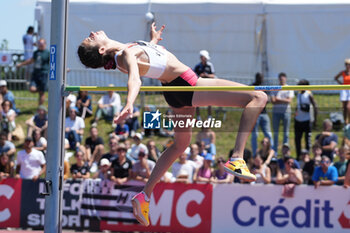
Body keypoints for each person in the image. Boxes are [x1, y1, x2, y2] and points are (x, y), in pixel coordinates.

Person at [77, 22, 267, 226]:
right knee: (258, 97)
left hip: (174, 91)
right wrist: (130, 103)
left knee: (180, 145)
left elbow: (149, 61)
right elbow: (135, 79)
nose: (91, 33)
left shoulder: (125, 50)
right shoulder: (125, 55)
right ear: (101, 49)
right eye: (91, 39)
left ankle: (144, 196)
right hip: (189, 85)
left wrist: (152, 41)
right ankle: (237, 158)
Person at [17, 38, 49, 106]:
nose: (40, 45)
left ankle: (40, 108)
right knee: (32, 89)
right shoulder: (36, 52)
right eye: (39, 44)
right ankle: (42, 89)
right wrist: (21, 64)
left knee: (41, 93)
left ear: (45, 44)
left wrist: (64, 69)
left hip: (44, 73)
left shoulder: (48, 53)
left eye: (42, 44)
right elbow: (31, 61)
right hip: (36, 73)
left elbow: (54, 63)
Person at [294, 79, 318, 160]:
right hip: (298, 120)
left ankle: (306, 156)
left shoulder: (309, 94)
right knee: (297, 139)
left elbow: (315, 106)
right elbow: (297, 106)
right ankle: (298, 156)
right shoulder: (299, 94)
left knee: (307, 140)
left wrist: (315, 119)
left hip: (306, 120)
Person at [251, 72, 273, 156]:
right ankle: (254, 154)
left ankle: (271, 152)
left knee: (268, 134)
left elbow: (269, 98)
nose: (261, 80)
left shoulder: (264, 87)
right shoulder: (252, 87)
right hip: (255, 113)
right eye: (259, 78)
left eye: (262, 78)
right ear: (256, 78)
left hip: (264, 113)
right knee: (255, 135)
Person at [271, 72, 294, 154]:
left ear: (285, 79)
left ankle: (285, 152)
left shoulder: (289, 88)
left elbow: (289, 101)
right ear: (279, 79)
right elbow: (273, 101)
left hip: (286, 112)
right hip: (276, 112)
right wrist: (282, 100)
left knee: (286, 133)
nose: (282, 80)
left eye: (283, 78)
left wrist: (278, 99)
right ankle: (275, 152)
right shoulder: (275, 88)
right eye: (280, 79)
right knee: (276, 133)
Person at [193, 50, 216, 120]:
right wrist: (200, 76)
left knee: (209, 102)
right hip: (199, 86)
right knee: (197, 102)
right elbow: (194, 75)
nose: (205, 59)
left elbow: (213, 75)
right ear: (201, 57)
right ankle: (198, 117)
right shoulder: (197, 66)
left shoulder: (210, 65)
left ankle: (209, 117)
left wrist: (206, 75)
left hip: (208, 86)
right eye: (204, 57)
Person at [334, 58, 350, 124]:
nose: (348, 66)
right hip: (344, 89)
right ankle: (345, 121)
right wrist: (341, 84)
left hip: (349, 89)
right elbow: (336, 78)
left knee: (348, 107)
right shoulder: (343, 72)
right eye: (346, 64)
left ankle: (349, 121)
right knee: (344, 107)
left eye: (349, 64)